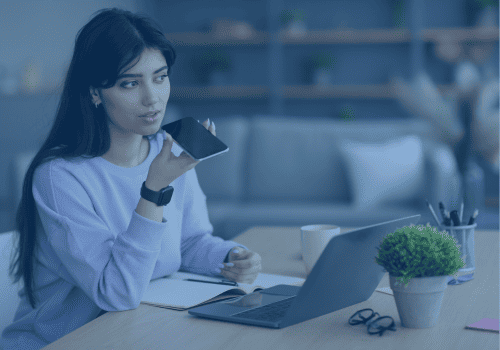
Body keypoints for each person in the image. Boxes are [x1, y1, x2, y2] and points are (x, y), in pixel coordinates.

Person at [0, 7, 261, 350]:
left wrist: (230, 257)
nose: (152, 98)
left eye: (160, 76)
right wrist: (152, 191)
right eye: (130, 83)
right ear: (95, 93)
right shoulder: (59, 177)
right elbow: (116, 291)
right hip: (64, 342)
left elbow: (189, 242)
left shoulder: (167, 151)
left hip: (140, 331)